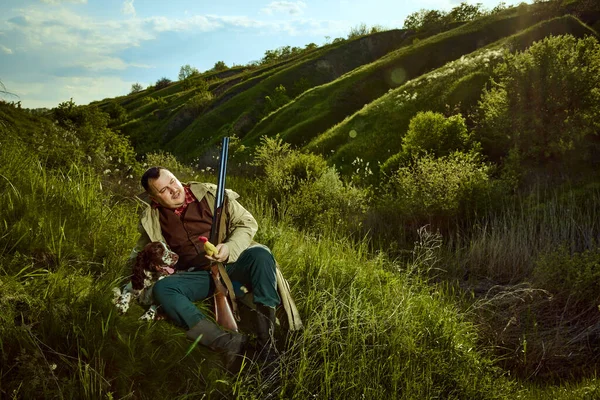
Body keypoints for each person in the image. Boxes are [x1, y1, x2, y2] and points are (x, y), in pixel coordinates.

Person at [129, 166, 301, 369]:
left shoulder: (212, 195)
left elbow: (247, 223)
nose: (174, 189)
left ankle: (267, 344)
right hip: (196, 276)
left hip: (232, 264)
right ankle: (230, 343)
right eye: (164, 190)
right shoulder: (151, 218)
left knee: (261, 254)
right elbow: (142, 253)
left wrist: (228, 248)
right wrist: (131, 281)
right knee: (163, 289)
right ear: (154, 198)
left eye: (173, 181)